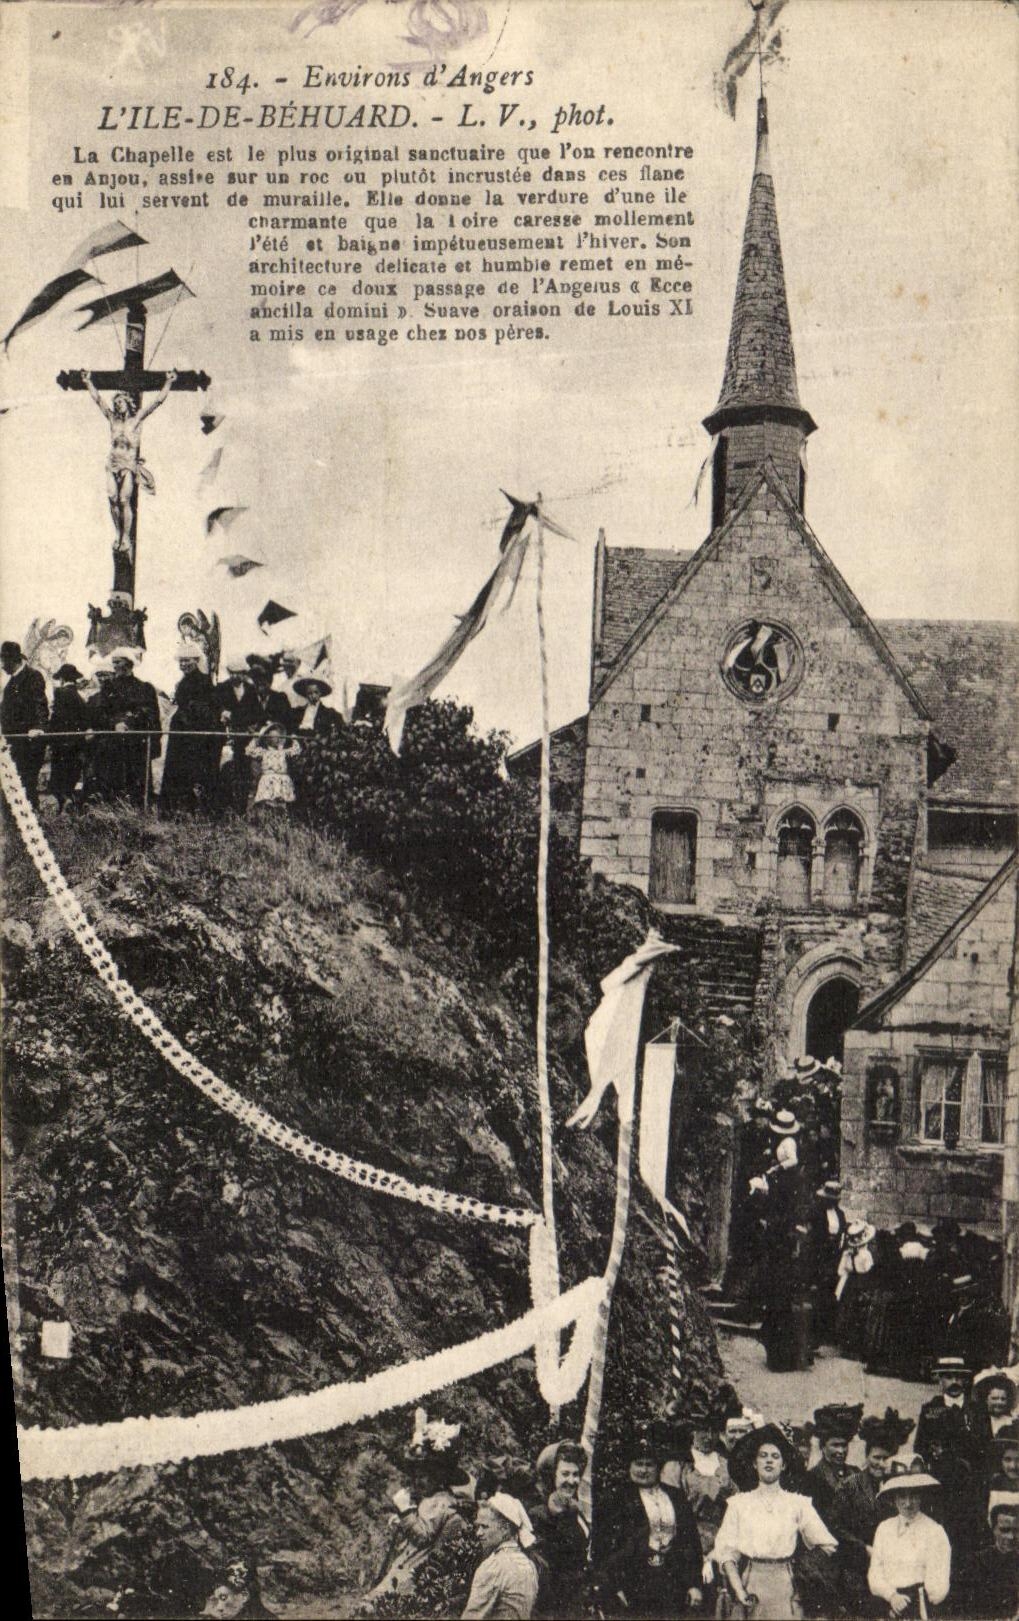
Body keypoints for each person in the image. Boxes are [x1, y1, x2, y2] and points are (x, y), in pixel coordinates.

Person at [710, 1422, 837, 1619]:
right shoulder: (739, 1504)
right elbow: (726, 1553)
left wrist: (803, 1570)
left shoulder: (798, 1503)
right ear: (754, 1463)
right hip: (751, 1582)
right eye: (763, 1456)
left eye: (775, 1456)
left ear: (783, 1465)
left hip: (786, 1585)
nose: (769, 1461)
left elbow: (827, 1544)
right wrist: (740, 1591)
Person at [595, 1427, 703, 1618]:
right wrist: (614, 1586)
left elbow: (691, 1542)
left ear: (658, 1468)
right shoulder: (616, 1499)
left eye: (649, 1464)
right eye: (638, 1464)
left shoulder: (675, 1496)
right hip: (633, 1583)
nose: (643, 1470)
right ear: (629, 1466)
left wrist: (694, 1583)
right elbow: (603, 1547)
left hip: (673, 1582)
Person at [366, 1409, 469, 1606]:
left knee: (385, 1601)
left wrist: (406, 1512)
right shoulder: (432, 1498)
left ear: (440, 1476)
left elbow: (423, 1536)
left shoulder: (442, 1501)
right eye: (418, 1474)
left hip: (424, 1566)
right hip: (416, 1562)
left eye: (426, 1475)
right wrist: (405, 1519)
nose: (418, 1480)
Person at [82, 368, 176, 555]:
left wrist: (169, 382)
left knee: (124, 500)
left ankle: (125, 537)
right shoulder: (113, 420)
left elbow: (156, 402)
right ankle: (118, 533)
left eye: (121, 402)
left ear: (127, 403)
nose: (118, 406)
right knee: (112, 498)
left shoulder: (136, 420)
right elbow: (98, 400)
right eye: (116, 403)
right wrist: (87, 382)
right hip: (113, 463)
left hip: (128, 465)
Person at [831, 1409, 915, 1610]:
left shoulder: (899, 1488)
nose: (880, 1463)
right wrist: (864, 1548)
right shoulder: (850, 1485)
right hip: (856, 1566)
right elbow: (835, 1526)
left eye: (886, 1458)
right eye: (876, 1457)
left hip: (892, 1566)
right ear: (867, 1455)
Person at [749, 1117, 812, 1372]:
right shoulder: (793, 1178)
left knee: (779, 1301)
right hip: (784, 1246)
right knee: (782, 1301)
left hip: (780, 1244)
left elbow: (781, 1211)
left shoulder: (784, 1180)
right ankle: (782, 1356)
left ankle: (780, 1356)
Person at [868, 1463, 951, 1616]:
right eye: (902, 1496)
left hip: (919, 1605)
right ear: (894, 1499)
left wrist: (919, 1601)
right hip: (886, 1601)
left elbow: (938, 1585)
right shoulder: (884, 1528)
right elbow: (875, 1574)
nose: (908, 1503)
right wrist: (891, 1595)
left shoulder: (934, 1531)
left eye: (913, 1496)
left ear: (921, 1497)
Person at [662, 1401, 736, 1560]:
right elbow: (668, 1508)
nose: (709, 1437)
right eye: (703, 1430)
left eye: (714, 1431)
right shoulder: (679, 1466)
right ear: (692, 1431)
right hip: (686, 1543)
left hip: (723, 1542)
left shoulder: (727, 1465)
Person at [527, 1440, 590, 1619]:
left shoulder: (573, 1508)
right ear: (551, 1475)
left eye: (576, 1474)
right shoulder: (540, 1514)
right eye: (565, 1474)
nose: (572, 1481)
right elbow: (545, 1572)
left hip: (577, 1602)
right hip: (557, 1607)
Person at [159, 647, 222, 816]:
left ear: (196, 661)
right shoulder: (183, 681)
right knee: (178, 768)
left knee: (191, 768)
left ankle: (193, 808)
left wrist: (191, 713)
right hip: (181, 728)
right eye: (182, 661)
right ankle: (177, 808)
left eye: (187, 661)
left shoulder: (204, 680)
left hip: (194, 730)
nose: (184, 664)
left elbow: (207, 706)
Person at [461, 1492, 540, 1620]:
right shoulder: (529, 1564)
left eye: (484, 1527)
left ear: (505, 1529)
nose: (478, 1533)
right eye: (477, 1527)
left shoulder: (493, 1566)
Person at [101, 649, 162, 806]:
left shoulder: (145, 688)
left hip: (137, 744)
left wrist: (132, 721)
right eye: (113, 662)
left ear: (128, 664)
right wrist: (115, 723)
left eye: (118, 662)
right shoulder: (108, 687)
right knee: (114, 782)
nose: (114, 666)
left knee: (138, 783)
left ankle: (139, 813)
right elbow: (101, 713)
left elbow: (152, 715)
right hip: (114, 743)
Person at [1, 640, 48, 806]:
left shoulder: (32, 676)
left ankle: (33, 823)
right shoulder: (10, 684)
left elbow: (40, 704)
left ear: (12, 660)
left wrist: (38, 727)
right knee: (16, 783)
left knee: (27, 784)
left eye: (3, 661)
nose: (1, 665)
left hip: (29, 742)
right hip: (14, 742)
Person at [961, 1494, 1018, 1619]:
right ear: (993, 1529)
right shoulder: (978, 1561)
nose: (1011, 1536)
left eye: (1016, 1530)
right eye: (1004, 1530)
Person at [916, 1357, 979, 1467]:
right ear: (940, 1379)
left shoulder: (976, 1409)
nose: (954, 1382)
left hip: (970, 1473)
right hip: (939, 1470)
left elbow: (984, 1445)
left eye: (959, 1378)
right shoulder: (930, 1409)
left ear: (965, 1380)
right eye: (949, 1377)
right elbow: (920, 1446)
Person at [806, 1403, 862, 1527]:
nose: (841, 1451)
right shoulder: (812, 1478)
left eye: (844, 1445)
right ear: (823, 1447)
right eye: (835, 1445)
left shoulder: (856, 1473)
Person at [808, 1178, 847, 1345]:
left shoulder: (840, 1214)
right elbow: (813, 1237)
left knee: (830, 1294)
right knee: (816, 1294)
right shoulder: (817, 1213)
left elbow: (842, 1234)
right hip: (819, 1256)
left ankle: (825, 1334)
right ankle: (812, 1336)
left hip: (835, 1257)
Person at [947, 1276, 1011, 1374]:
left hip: (975, 1359)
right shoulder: (956, 1314)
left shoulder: (979, 1313)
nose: (962, 1298)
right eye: (959, 1295)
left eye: (965, 1294)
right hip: (958, 1358)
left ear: (971, 1295)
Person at [47, 663, 89, 809]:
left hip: (62, 743)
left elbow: (56, 719)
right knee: (70, 777)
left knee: (58, 780)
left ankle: (65, 806)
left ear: (62, 678)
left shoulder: (60, 693)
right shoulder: (79, 697)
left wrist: (49, 737)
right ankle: (68, 805)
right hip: (76, 744)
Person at [837, 1219, 878, 1360]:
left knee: (849, 1312)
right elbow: (869, 1271)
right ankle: (856, 1347)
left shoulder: (847, 1254)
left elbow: (840, 1271)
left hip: (850, 1284)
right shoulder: (866, 1255)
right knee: (859, 1314)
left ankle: (847, 1346)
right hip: (862, 1283)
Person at [249, 722, 300, 814]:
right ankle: (267, 821)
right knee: (268, 804)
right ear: (268, 739)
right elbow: (250, 751)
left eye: (278, 737)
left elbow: (296, 750)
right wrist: (255, 739)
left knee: (282, 805)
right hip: (268, 781)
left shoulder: (284, 752)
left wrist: (294, 739)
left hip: (282, 780)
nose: (277, 740)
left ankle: (282, 822)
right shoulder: (263, 752)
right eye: (274, 737)